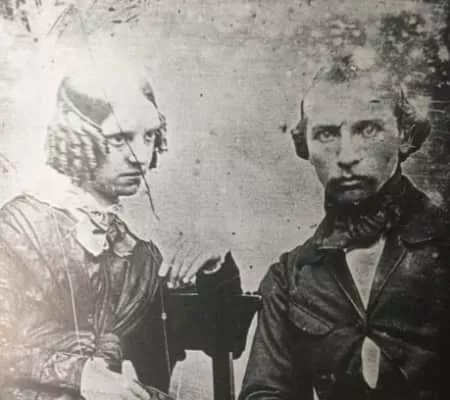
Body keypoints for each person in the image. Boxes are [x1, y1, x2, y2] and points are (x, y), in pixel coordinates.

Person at [0, 58, 227, 400]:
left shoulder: (139, 256)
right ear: (78, 139)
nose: (141, 156)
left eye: (149, 136)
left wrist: (214, 270)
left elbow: (195, 331)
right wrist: (81, 375)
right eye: (120, 139)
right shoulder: (17, 228)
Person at [239, 49, 450, 400]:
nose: (347, 155)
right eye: (326, 134)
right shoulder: (289, 277)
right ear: (305, 146)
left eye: (367, 129)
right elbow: (264, 392)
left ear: (405, 134)